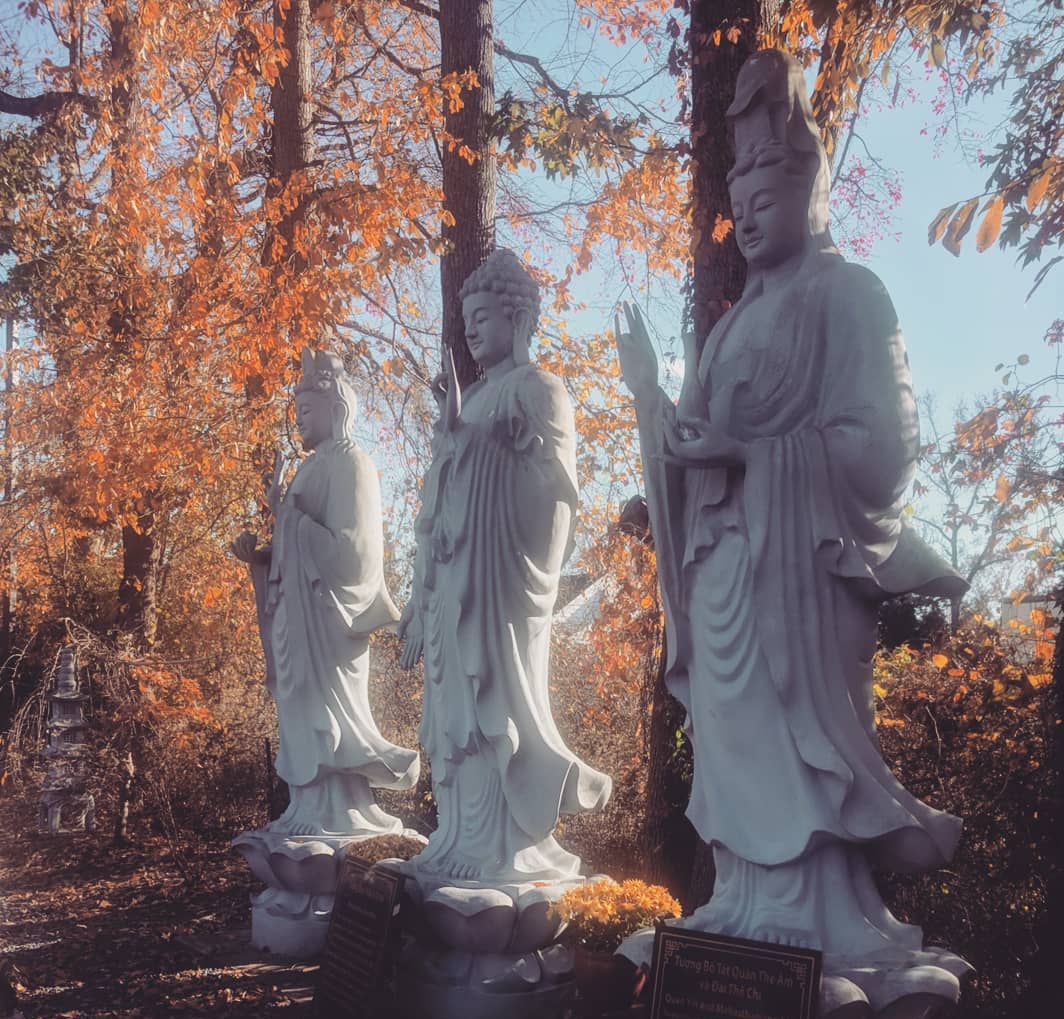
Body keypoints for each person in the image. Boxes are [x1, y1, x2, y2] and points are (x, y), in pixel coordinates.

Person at [615, 50, 967, 958]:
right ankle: (741, 901)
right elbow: (692, 446)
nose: (747, 227)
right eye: (739, 213)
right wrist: (654, 407)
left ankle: (819, 918)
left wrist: (759, 455)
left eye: (766, 205)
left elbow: (882, 449)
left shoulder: (848, 297)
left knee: (800, 751)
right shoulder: (728, 328)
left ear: (808, 195)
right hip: (728, 568)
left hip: (801, 568)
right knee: (734, 748)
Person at [400, 249, 611, 883]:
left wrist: (491, 450)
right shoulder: (469, 403)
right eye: (466, 318)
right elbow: (435, 507)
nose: (470, 330)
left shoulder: (539, 389)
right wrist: (419, 592)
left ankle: (501, 847)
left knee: (494, 717)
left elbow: (554, 503)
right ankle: (460, 838)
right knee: (453, 723)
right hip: (452, 590)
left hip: (498, 592)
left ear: (517, 319)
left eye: (484, 316)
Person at [233, 347, 418, 840]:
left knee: (329, 712)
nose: (299, 422)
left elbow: (355, 551)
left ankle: (342, 807)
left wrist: (289, 518)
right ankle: (307, 803)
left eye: (307, 411)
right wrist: (262, 556)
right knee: (297, 702)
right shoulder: (309, 468)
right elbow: (295, 544)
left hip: (331, 617)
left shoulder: (352, 463)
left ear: (337, 407)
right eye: (295, 413)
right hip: (298, 613)